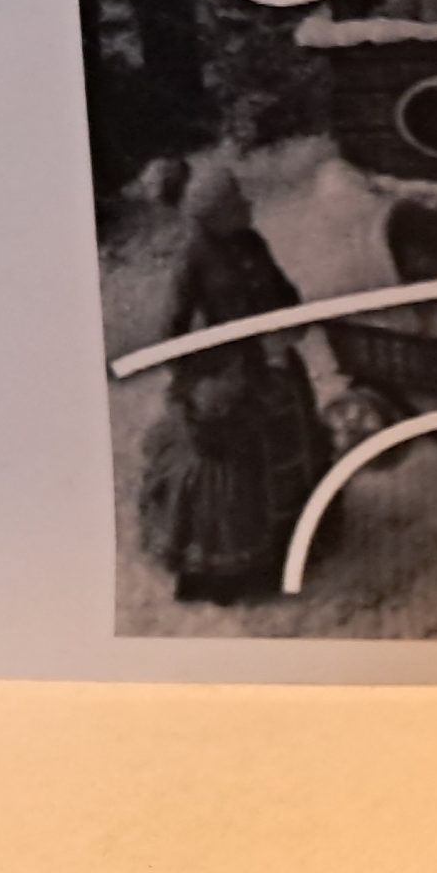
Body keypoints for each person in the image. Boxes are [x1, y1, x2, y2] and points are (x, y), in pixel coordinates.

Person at [138, 165, 327, 603]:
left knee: (294, 433)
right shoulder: (193, 257)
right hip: (227, 371)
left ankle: (293, 537)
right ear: (215, 215)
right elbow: (173, 328)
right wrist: (197, 376)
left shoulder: (253, 241)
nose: (247, 205)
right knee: (236, 463)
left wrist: (290, 318)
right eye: (237, 202)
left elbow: (282, 288)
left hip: (273, 356)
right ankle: (237, 568)